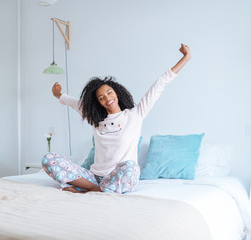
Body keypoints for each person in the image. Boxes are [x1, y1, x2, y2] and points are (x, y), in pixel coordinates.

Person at [42, 43, 191, 194]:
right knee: (49, 159)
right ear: (98, 102)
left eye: (109, 92)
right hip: (94, 177)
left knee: (130, 167)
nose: (107, 98)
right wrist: (58, 94)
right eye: (101, 97)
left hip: (120, 176)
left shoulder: (135, 114)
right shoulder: (96, 119)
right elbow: (73, 103)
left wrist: (185, 58)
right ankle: (96, 189)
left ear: (117, 92)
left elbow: (160, 84)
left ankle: (84, 190)